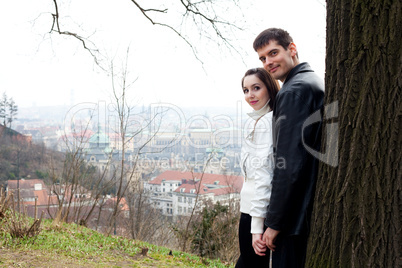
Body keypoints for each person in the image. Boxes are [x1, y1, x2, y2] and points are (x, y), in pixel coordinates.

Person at [253, 28, 324, 267]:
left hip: (293, 220)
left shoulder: (293, 92)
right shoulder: (311, 81)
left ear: (292, 49)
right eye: (263, 58)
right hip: (304, 210)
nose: (268, 62)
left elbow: (289, 164)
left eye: (273, 53)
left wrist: (274, 223)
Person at [236, 68, 279, 268]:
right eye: (245, 90)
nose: (250, 95)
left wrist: (256, 228)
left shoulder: (266, 123)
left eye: (256, 88)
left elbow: (264, 177)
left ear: (269, 88)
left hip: (256, 213)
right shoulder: (258, 121)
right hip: (250, 209)